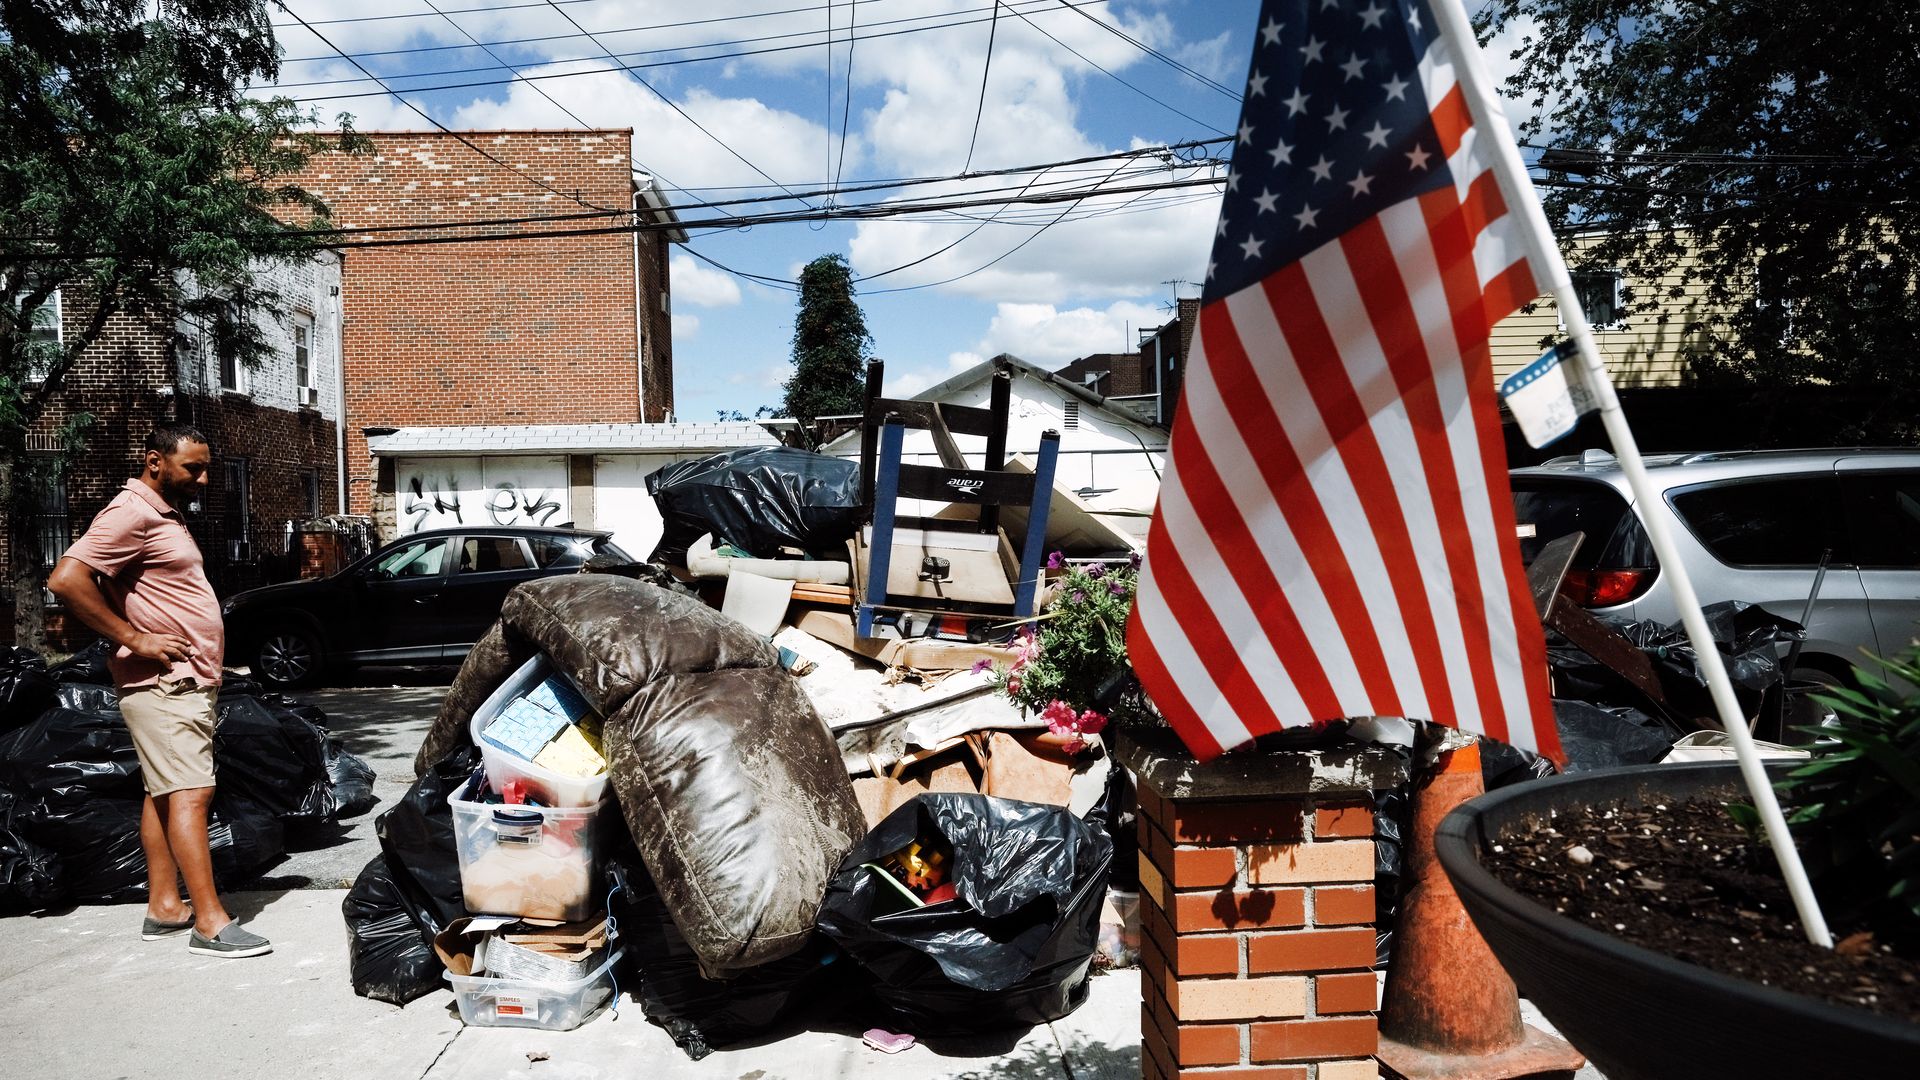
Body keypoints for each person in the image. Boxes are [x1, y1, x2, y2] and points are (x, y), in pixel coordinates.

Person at [47, 424, 271, 958]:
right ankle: (211, 923)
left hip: (183, 678)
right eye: (192, 467)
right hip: (165, 684)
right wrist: (134, 638)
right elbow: (66, 579)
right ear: (155, 461)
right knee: (193, 794)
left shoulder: (161, 514)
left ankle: (166, 906)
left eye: (206, 467)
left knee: (162, 792)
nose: (204, 478)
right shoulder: (132, 512)